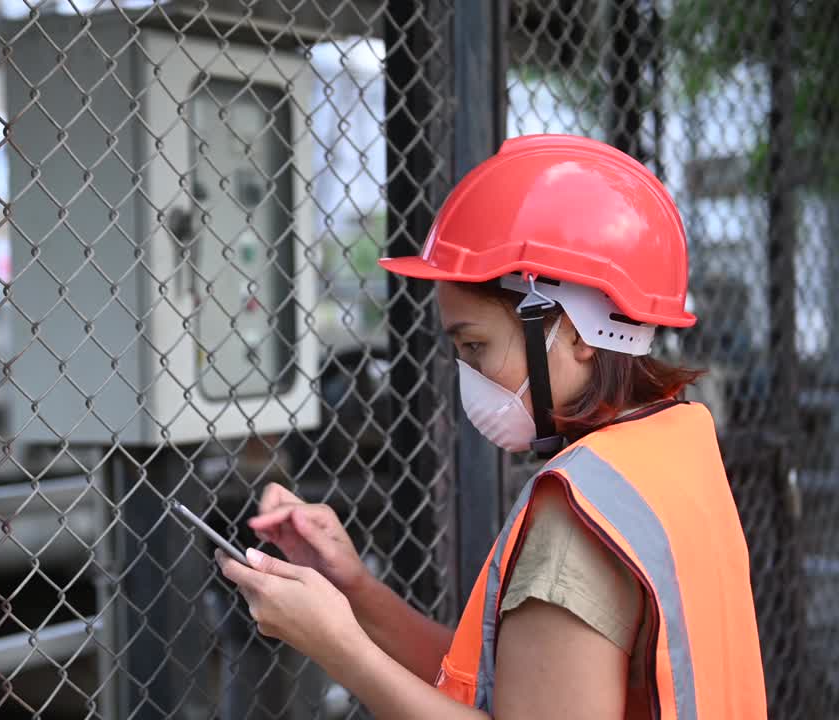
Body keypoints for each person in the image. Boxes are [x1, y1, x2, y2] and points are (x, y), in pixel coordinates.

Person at [217, 134, 767, 719]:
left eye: (476, 346)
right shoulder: (669, 447)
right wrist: (355, 591)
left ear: (578, 333)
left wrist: (334, 644)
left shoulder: (581, 513)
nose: (469, 376)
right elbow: (516, 688)